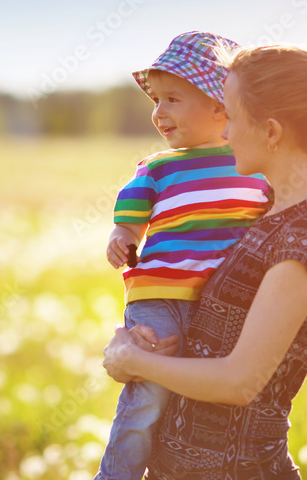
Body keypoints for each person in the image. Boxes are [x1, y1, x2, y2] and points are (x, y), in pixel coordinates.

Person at [101, 43, 307, 479]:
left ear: (270, 131)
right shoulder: (267, 212)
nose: (223, 132)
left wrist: (133, 361)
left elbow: (239, 382)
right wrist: (153, 343)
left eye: (229, 115)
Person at [97, 32, 272, 480]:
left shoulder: (250, 165)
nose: (159, 112)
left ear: (221, 107)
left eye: (173, 99)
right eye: (155, 100)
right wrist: (122, 235)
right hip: (157, 293)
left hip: (218, 302)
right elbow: (131, 216)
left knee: (197, 394)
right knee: (148, 394)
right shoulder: (158, 166)